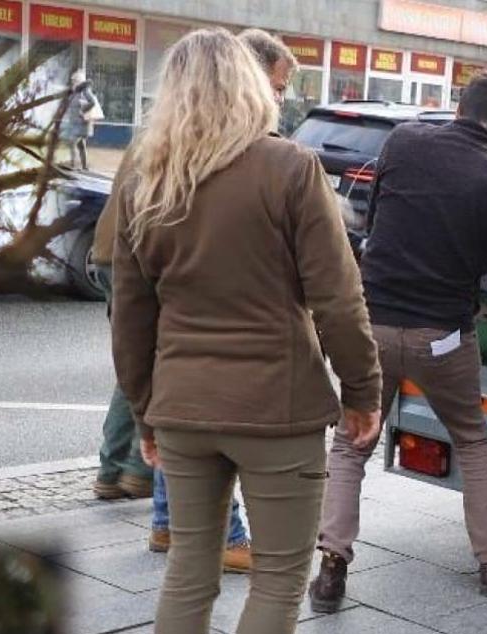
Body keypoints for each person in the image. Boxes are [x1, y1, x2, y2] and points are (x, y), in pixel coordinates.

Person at [109, 29, 382, 634]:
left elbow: (130, 312)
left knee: (188, 574)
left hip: (184, 408)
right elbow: (337, 295)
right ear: (250, 89)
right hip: (278, 408)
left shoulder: (145, 179)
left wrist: (146, 412)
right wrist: (363, 391)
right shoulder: (288, 168)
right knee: (277, 578)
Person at [309, 71, 487, 611]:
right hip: (443, 338)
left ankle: (332, 567)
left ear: (457, 109)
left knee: (351, 441)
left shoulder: (403, 140)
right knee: (472, 441)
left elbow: (377, 223)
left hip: (373, 326)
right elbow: (476, 271)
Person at [92, 28, 297, 570]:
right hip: (132, 258)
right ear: (243, 77)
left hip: (119, 253)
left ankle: (139, 490)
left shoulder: (175, 124)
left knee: (152, 373)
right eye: (276, 87)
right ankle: (211, 527)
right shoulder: (214, 137)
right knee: (174, 384)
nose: (279, 100)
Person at [61, 70, 98, 170]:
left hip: (81, 124)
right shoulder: (75, 92)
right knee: (81, 145)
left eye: (74, 81)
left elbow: (92, 102)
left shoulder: (85, 91)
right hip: (75, 123)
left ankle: (73, 164)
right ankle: (84, 166)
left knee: (72, 142)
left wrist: (83, 110)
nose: (72, 83)